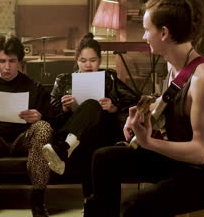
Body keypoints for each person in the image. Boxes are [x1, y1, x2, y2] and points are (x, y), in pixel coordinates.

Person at [89, 0, 204, 217]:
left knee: (133, 208)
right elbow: (168, 100)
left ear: (164, 33)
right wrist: (139, 113)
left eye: (147, 29)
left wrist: (148, 143)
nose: (144, 36)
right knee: (103, 159)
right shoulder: (174, 65)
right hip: (179, 161)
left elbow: (201, 153)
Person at [41, 33, 138, 213]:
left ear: (99, 60)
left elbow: (135, 100)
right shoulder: (63, 80)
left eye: (93, 60)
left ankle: (63, 148)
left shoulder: (108, 78)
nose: (88, 65)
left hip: (104, 130)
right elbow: (49, 113)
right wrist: (63, 108)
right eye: (83, 60)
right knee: (90, 144)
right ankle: (91, 203)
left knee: (93, 106)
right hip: (82, 134)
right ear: (77, 61)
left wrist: (113, 107)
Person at [0, 36, 53, 217]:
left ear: (19, 62)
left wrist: (39, 115)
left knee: (44, 126)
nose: (7, 67)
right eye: (2, 61)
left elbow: (54, 118)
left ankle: (38, 200)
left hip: (24, 139)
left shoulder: (34, 87)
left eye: (12, 61)